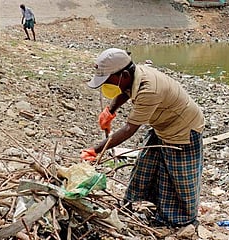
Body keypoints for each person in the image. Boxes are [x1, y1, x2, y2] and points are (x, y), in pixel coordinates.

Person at [80, 48, 205, 228]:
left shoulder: (149, 90)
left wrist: (95, 149)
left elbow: (129, 129)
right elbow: (125, 92)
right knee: (147, 166)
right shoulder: (133, 76)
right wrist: (110, 110)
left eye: (108, 79)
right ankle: (135, 203)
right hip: (163, 124)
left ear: (123, 74)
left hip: (183, 129)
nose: (107, 83)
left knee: (178, 179)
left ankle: (180, 220)